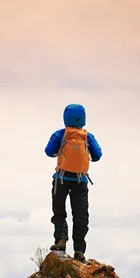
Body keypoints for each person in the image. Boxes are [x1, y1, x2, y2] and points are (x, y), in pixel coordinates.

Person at [44, 103, 102, 263]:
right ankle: (79, 249)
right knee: (80, 215)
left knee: (59, 210)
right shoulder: (88, 136)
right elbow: (97, 156)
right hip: (80, 180)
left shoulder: (60, 134)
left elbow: (48, 152)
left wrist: (61, 152)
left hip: (60, 179)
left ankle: (61, 240)